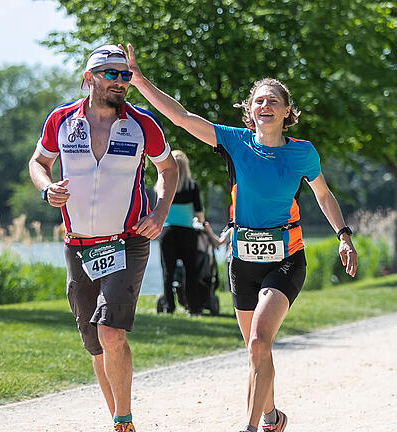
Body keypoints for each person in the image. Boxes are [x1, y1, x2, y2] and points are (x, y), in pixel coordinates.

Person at [121, 43, 357, 432]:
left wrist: (343, 235)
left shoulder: (303, 153)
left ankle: (248, 427)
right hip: (242, 261)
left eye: (273, 101)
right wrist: (142, 81)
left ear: (286, 111)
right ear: (250, 110)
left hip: (286, 257)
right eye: (258, 101)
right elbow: (180, 118)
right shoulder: (235, 142)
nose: (265, 106)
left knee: (260, 340)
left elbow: (323, 195)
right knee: (256, 349)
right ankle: (272, 417)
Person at [28, 44, 178, 432]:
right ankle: (118, 419)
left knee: (112, 331)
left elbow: (169, 168)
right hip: (79, 245)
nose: (121, 81)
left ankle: (124, 420)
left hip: (127, 240)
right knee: (95, 341)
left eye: (126, 74)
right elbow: (38, 161)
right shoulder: (61, 120)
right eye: (111, 73)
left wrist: (159, 212)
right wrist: (46, 188)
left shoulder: (143, 123)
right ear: (88, 78)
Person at [158, 149, 205, 315]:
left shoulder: (162, 187)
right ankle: (194, 307)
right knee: (190, 271)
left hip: (167, 232)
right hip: (187, 233)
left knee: (167, 271)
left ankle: (168, 306)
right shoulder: (192, 187)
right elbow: (199, 214)